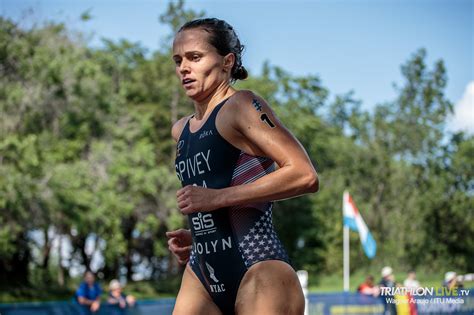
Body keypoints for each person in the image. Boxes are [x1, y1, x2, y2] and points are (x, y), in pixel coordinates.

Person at [166, 18, 319, 315]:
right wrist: (199, 235)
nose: (184, 67)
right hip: (202, 270)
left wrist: (217, 198)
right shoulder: (180, 130)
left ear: (227, 62)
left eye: (195, 57)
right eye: (178, 60)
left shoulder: (242, 105)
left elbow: (304, 174)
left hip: (260, 268)